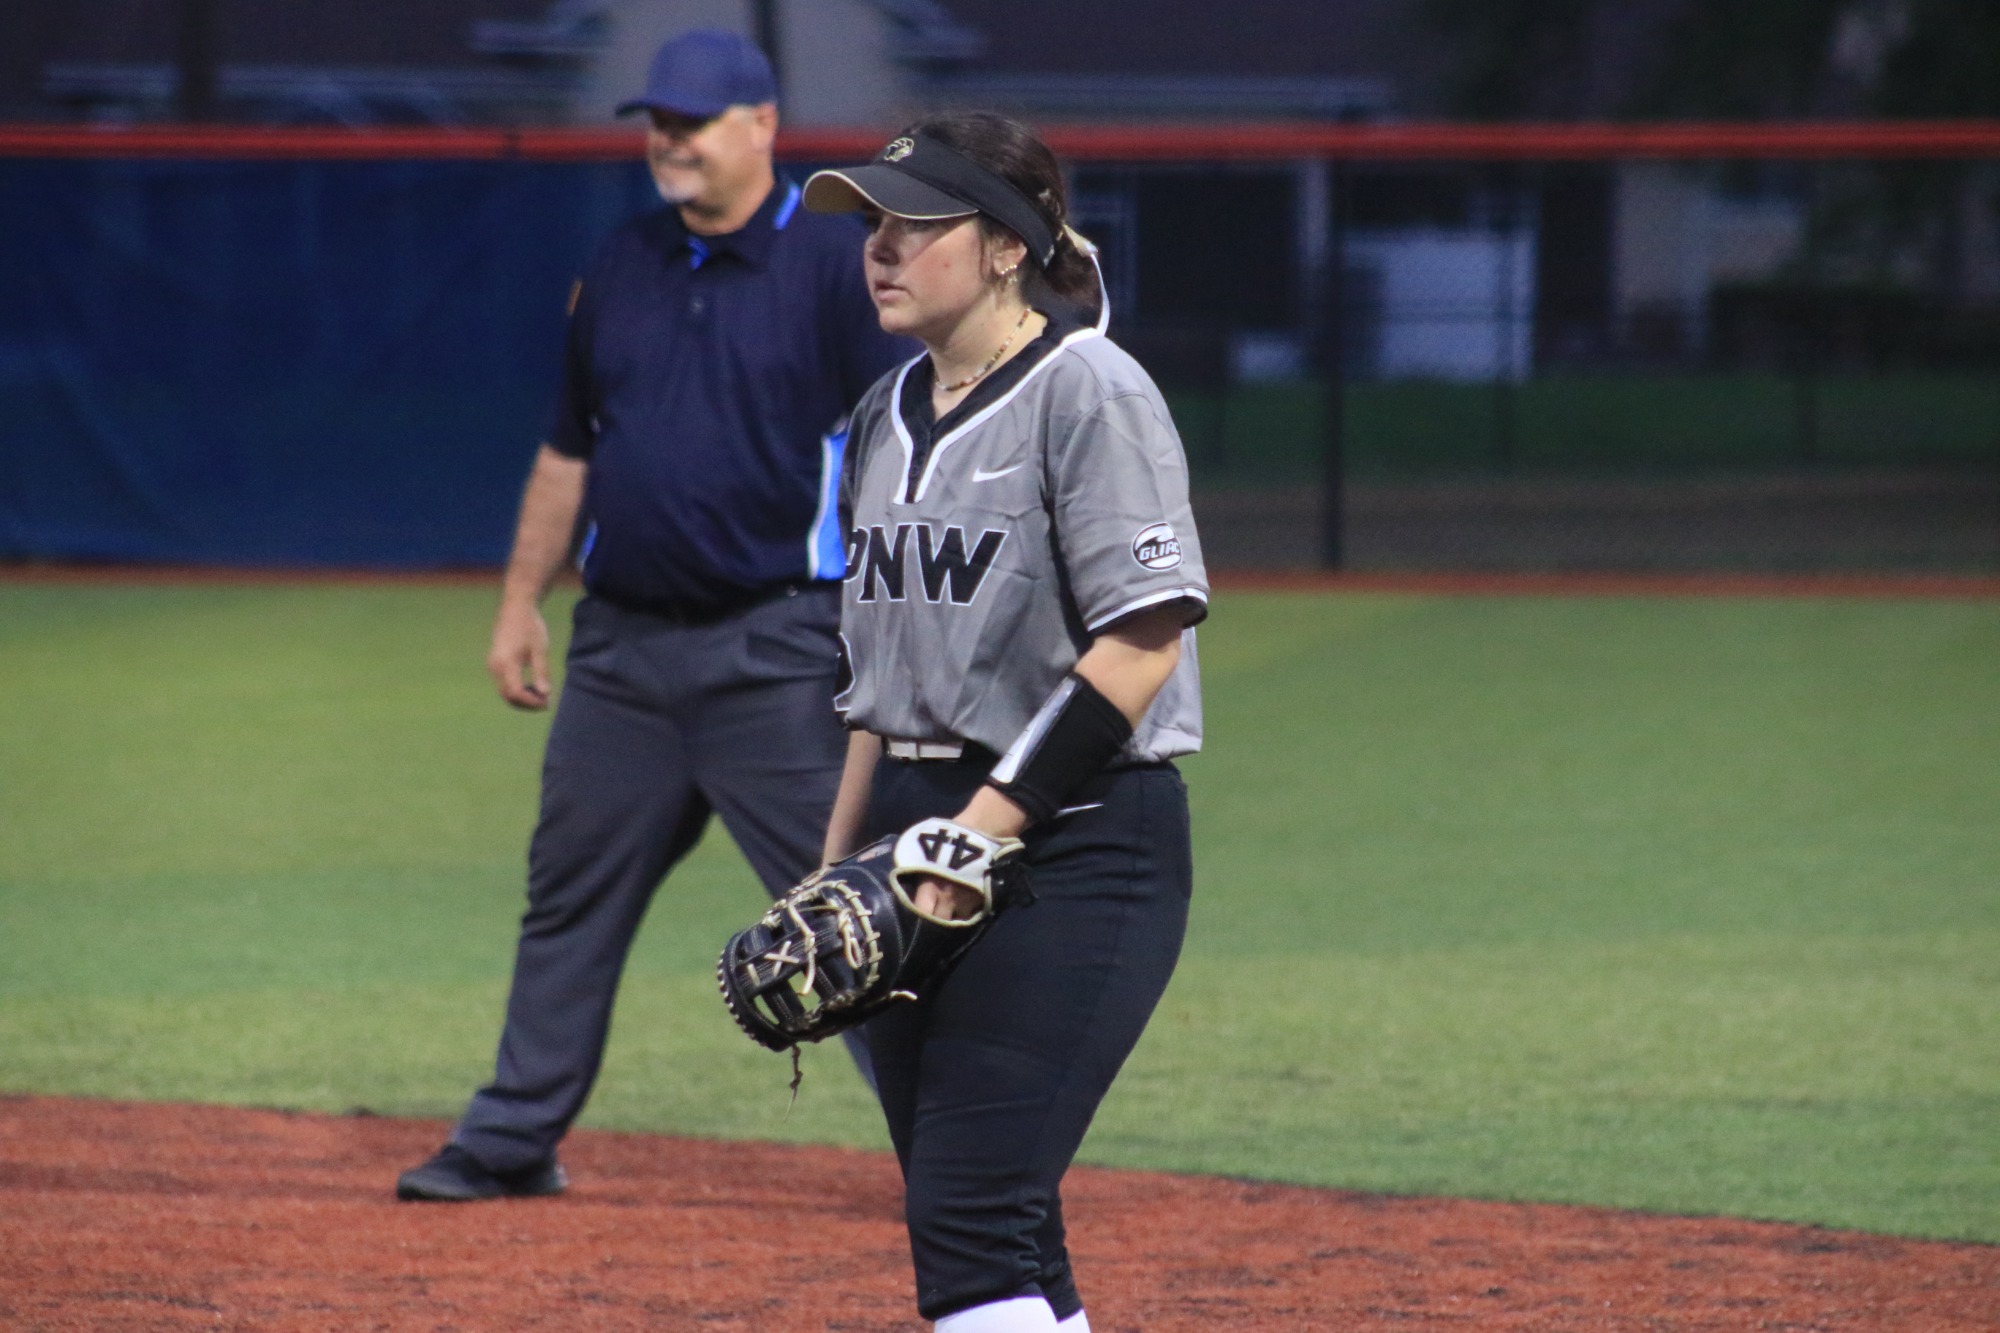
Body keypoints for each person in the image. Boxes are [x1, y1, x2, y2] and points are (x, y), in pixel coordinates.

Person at [395, 29, 912, 1203]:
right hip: (620, 656)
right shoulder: (620, 261)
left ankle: (953, 1150)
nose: (668, 139)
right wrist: (518, 602)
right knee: (566, 900)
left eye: (692, 119)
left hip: (775, 649)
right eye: (657, 120)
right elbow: (567, 448)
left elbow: (901, 452)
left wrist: (879, 627)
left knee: (847, 913)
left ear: (762, 125)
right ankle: (511, 1136)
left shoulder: (834, 267)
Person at [801, 112, 1208, 1332]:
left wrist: (974, 833)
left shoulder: (1090, 390)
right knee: (1000, 1215)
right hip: (913, 840)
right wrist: (836, 861)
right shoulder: (882, 415)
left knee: (968, 1213)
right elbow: (873, 676)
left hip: (1074, 838)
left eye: (914, 223)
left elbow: (1143, 642)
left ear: (1004, 246)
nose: (880, 247)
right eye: (871, 223)